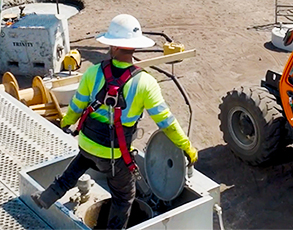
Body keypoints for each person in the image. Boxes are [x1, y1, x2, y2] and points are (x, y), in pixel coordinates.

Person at [32, 14, 198, 229]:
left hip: (87, 143)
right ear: (134, 48)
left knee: (75, 169)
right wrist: (187, 147)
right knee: (124, 196)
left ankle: (46, 198)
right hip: (114, 155)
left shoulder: (92, 72)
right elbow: (166, 122)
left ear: (112, 45)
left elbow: (76, 106)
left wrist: (67, 122)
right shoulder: (145, 82)